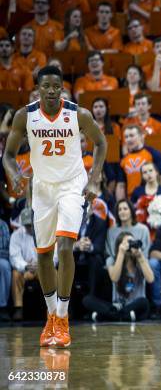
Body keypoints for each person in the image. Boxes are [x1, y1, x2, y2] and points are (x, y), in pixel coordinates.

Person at [2, 65, 107, 348]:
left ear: (62, 89)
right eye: (44, 86)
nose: (50, 90)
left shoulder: (78, 114)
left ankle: (62, 317)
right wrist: (13, 173)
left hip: (72, 185)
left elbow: (100, 143)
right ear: (37, 88)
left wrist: (94, 179)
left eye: (55, 86)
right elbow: (8, 154)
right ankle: (51, 316)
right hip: (43, 189)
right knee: (44, 254)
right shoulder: (26, 116)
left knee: (64, 246)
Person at [84, 231, 153, 322]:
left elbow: (150, 279)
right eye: (126, 243)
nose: (129, 246)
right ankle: (124, 315)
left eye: (131, 242)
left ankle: (110, 316)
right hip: (115, 305)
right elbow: (114, 278)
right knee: (87, 300)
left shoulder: (140, 260)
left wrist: (140, 257)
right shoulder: (111, 260)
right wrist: (121, 253)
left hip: (135, 304)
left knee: (144, 302)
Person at [116, 125, 161, 200]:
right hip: (132, 200)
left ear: (142, 136)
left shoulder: (153, 153)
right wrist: (121, 203)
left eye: (132, 136)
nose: (128, 139)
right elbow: (121, 185)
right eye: (126, 137)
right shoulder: (124, 160)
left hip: (153, 198)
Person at [9, 209, 39, 322]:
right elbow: (14, 257)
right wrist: (26, 266)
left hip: (43, 269)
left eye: (31, 224)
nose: (29, 227)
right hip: (25, 270)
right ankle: (18, 308)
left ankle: (53, 310)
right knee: (15, 274)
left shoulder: (45, 232)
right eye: (27, 225)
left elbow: (54, 255)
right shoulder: (16, 235)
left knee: (53, 274)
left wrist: (41, 265)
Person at [0, 218, 10, 321]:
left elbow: (7, 250)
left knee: (4, 266)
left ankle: (2, 307)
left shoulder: (2, 225)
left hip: (1, 258)